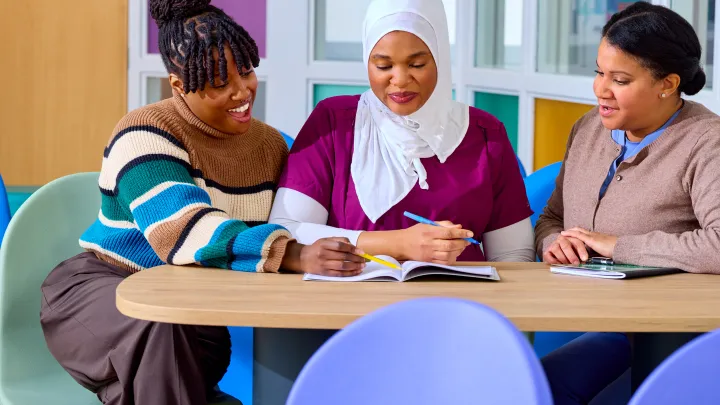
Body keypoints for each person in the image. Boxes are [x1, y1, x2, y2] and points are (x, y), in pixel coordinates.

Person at [39, 1, 366, 404]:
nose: (241, 91)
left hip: (194, 318)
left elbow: (309, 215)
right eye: (217, 81)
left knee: (171, 357)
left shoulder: (271, 146)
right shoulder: (143, 132)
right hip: (103, 297)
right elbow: (186, 231)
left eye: (245, 71)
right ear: (178, 84)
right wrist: (293, 253)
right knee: (158, 327)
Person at [535, 3, 720, 404]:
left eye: (619, 79)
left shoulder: (707, 143)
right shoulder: (586, 128)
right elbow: (551, 217)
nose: (601, 89)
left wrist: (618, 245)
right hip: (602, 323)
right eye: (599, 72)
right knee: (531, 387)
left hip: (677, 332)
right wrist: (553, 241)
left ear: (667, 84)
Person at [269, 0, 535, 264]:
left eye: (417, 64)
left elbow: (514, 256)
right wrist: (399, 244)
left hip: (458, 304)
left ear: (440, 58)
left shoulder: (486, 133)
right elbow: (287, 230)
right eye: (383, 66)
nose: (400, 80)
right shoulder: (333, 123)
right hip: (352, 301)